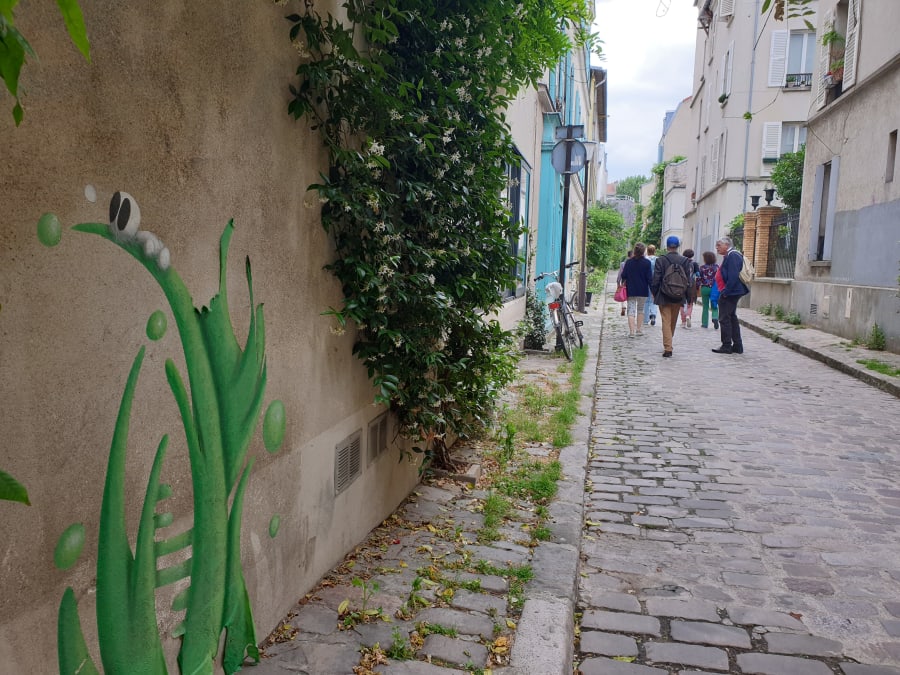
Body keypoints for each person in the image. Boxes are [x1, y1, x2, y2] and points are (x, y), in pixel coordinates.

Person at [650, 235, 694, 358]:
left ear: (667, 246)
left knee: (666, 320)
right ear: (678, 246)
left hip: (664, 294)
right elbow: (688, 280)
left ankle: (668, 347)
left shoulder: (661, 260)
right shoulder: (685, 261)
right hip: (679, 295)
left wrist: (654, 293)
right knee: (673, 321)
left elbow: (656, 279)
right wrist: (688, 296)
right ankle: (669, 342)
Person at [712, 236, 750, 354]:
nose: (717, 247)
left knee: (724, 318)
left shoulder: (733, 255)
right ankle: (737, 345)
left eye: (719, 245)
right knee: (731, 317)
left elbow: (733, 275)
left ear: (727, 245)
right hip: (733, 291)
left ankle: (727, 345)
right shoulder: (731, 254)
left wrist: (726, 292)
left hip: (732, 291)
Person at [620, 243, 652, 337]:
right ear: (644, 251)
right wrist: (653, 290)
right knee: (641, 309)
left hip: (631, 289)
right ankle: (638, 330)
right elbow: (649, 278)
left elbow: (623, 275)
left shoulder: (629, 262)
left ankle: (631, 332)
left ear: (634, 251)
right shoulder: (647, 263)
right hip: (643, 289)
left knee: (631, 309)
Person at [698, 251, 720, 329]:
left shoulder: (702, 268)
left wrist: (698, 286)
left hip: (705, 288)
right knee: (714, 304)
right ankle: (715, 317)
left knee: (705, 306)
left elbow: (699, 278)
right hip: (714, 288)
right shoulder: (717, 267)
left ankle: (704, 323)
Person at [679, 249, 700, 328]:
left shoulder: (681, 262)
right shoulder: (694, 263)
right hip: (691, 284)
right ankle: (688, 315)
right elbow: (698, 274)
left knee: (681, 303)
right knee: (690, 302)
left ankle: (683, 321)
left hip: (681, 284)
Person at [643, 244, 658, 326]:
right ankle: (653, 314)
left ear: (647, 251)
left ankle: (645, 319)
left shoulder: (644, 259)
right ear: (654, 251)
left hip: (645, 281)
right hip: (655, 282)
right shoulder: (657, 259)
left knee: (646, 300)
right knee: (653, 299)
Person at [616, 250, 633, 316]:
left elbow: (620, 273)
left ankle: (623, 306)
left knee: (623, 293)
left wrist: (618, 282)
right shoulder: (634, 263)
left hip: (624, 281)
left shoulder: (623, 263)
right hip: (632, 281)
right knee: (630, 295)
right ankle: (629, 308)